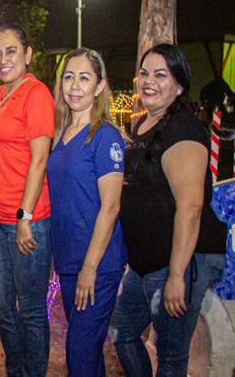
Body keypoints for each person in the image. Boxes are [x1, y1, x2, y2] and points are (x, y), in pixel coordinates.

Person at [109, 43, 226, 376]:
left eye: (161, 75)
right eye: (144, 73)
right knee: (121, 331)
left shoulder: (183, 130)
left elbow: (191, 207)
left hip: (183, 259)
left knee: (171, 354)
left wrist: (177, 275)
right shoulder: (143, 124)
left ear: (179, 85)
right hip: (146, 262)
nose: (149, 81)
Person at [46, 48, 127, 377]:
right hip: (68, 261)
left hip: (97, 264)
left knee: (78, 353)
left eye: (84, 77)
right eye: (68, 77)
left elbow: (111, 206)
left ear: (99, 85)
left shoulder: (105, 136)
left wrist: (90, 268)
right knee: (88, 355)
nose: (75, 86)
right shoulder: (59, 134)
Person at [0, 22, 54, 377]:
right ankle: (17, 368)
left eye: (11, 51)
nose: (3, 59)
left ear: (27, 54)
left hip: (28, 220)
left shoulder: (36, 94)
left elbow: (39, 160)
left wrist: (24, 216)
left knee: (31, 310)